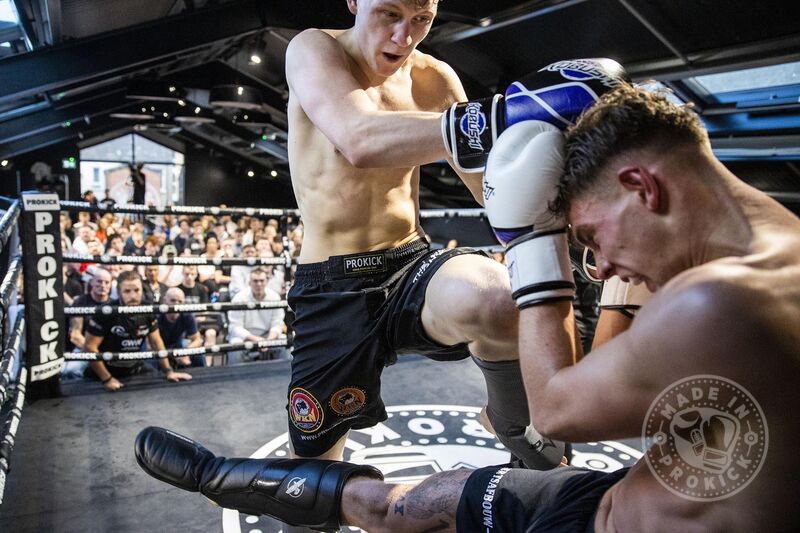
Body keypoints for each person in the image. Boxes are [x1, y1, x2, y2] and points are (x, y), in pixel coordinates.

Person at [137, 84, 800, 531]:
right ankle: (219, 474)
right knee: (411, 502)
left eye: (593, 238)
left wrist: (531, 243)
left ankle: (219, 475)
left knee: (403, 507)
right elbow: (597, 387)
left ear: (640, 186)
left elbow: (560, 411)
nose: (601, 266)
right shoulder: (760, 259)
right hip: (608, 499)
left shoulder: (714, 300)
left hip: (603, 516)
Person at [271, 0, 627, 468]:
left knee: (501, 300)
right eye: (389, 15)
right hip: (332, 286)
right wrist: (506, 115)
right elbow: (357, 138)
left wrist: (589, 225)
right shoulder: (313, 49)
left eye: (421, 19)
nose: (405, 36)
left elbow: (491, 189)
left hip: (408, 263)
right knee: (311, 479)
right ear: (355, 1)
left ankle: (515, 429)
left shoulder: (434, 78)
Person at [84, 270, 192, 392]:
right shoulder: (106, 312)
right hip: (107, 370)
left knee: (163, 391)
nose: (133, 296)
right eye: (127, 291)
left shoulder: (147, 309)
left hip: (134, 367)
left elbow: (156, 341)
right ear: (119, 293)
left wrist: (168, 371)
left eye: (137, 290)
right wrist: (107, 379)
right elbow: (89, 347)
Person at [226, 267, 286, 364]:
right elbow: (235, 327)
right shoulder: (239, 298)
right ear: (249, 282)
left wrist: (268, 341)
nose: (259, 284)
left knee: (284, 341)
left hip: (268, 336)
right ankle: (235, 377)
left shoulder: (275, 297)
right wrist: (256, 340)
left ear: (267, 282)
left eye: (262, 281)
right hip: (246, 337)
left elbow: (277, 324)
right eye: (255, 281)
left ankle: (288, 376)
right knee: (235, 346)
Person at [158, 287, 205, 368]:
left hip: (178, 346)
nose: (176, 304)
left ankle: (203, 377)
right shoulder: (157, 315)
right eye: (173, 300)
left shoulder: (187, 314)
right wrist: (172, 355)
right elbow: (150, 344)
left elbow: (198, 340)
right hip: (160, 348)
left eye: (180, 302)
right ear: (165, 301)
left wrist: (184, 352)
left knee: (198, 353)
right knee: (151, 360)